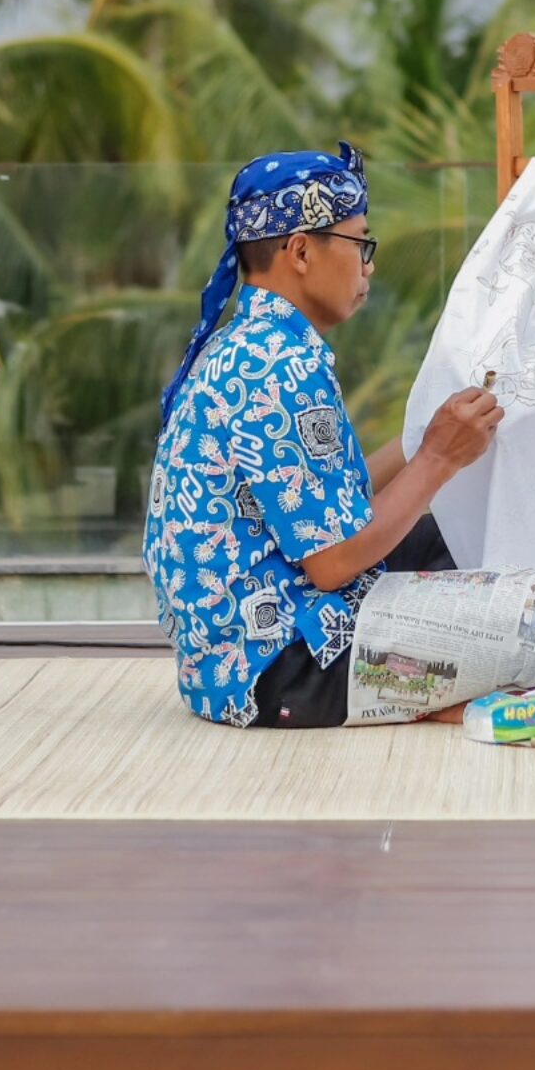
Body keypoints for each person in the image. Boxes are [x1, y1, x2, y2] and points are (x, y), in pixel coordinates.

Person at [144, 145, 502, 727]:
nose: (369, 265)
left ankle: (434, 697)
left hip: (220, 669)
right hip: (282, 669)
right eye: (361, 243)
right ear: (302, 251)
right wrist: (438, 459)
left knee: (451, 538)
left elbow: (329, 501)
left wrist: (424, 443)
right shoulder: (278, 362)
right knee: (515, 611)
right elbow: (333, 562)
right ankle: (435, 702)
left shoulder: (250, 342)